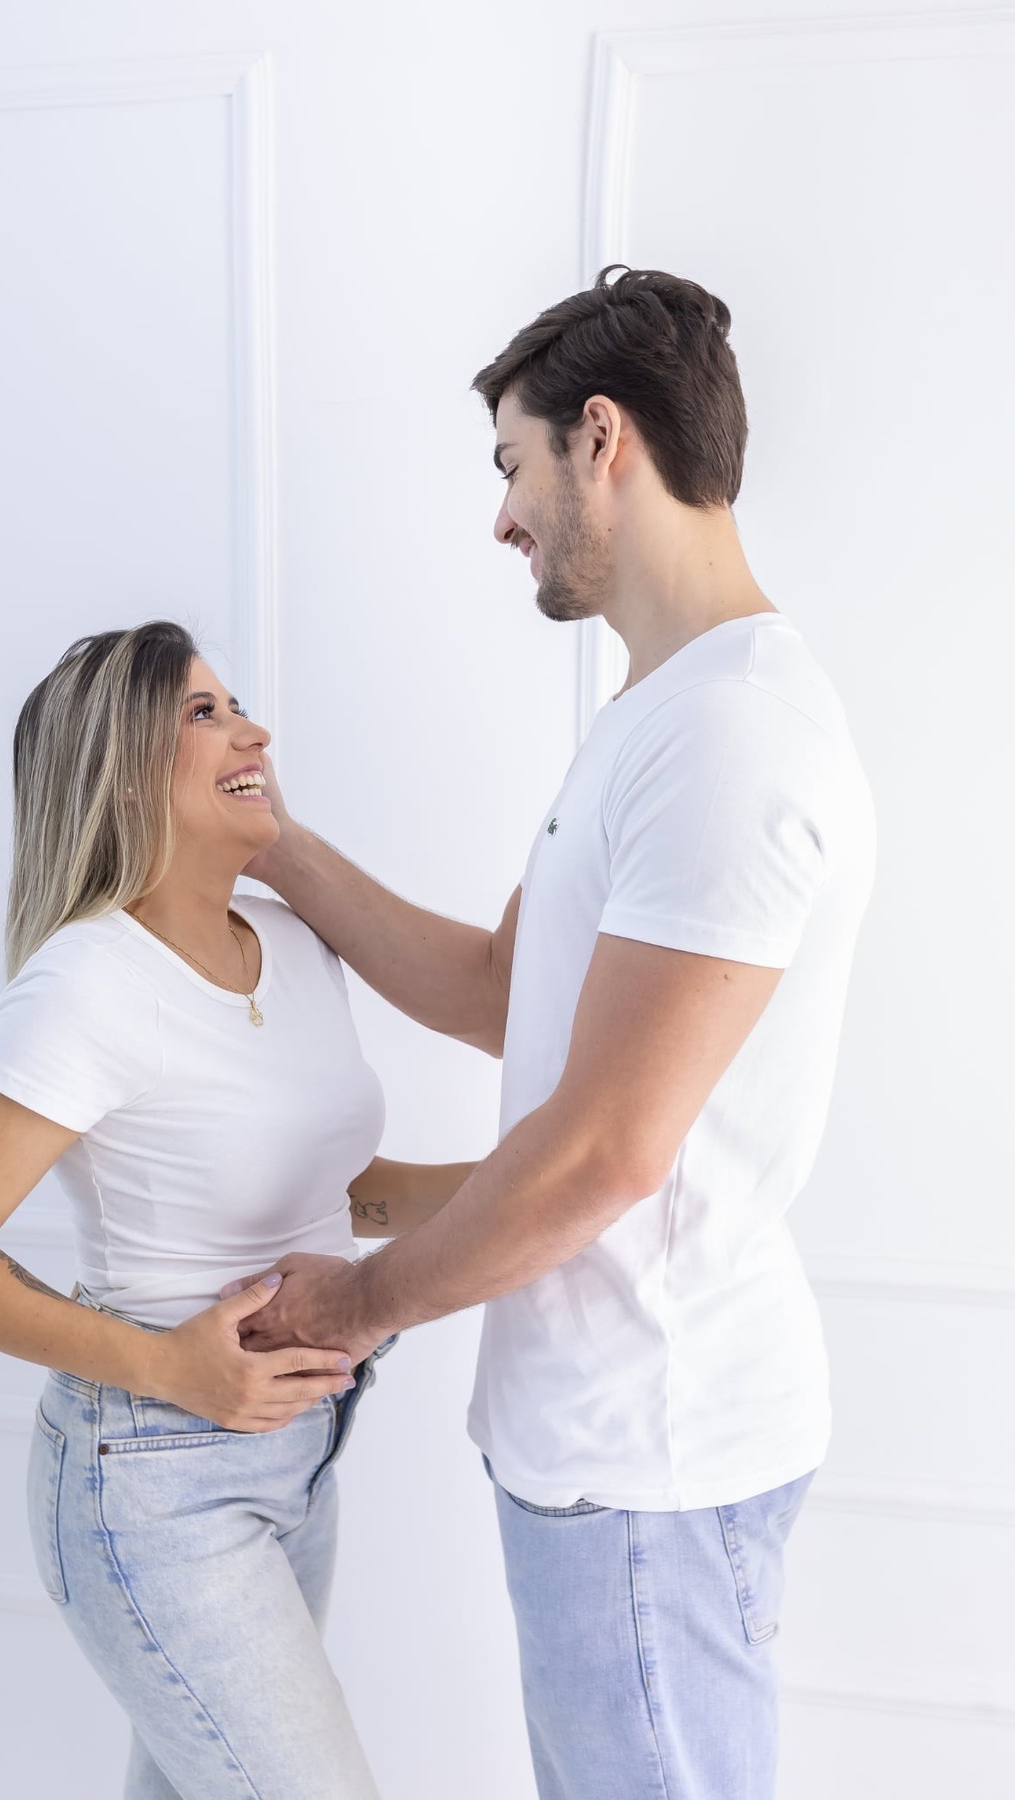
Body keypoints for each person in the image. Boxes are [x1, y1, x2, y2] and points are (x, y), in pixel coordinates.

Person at [228, 267, 877, 1800]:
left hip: (654, 1450)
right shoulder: (662, 710)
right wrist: (280, 851)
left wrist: (358, 1302)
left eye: (511, 466)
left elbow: (602, 1154)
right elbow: (500, 990)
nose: (503, 519)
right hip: (601, 1447)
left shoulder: (733, 735)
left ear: (602, 441)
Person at [0, 620, 476, 1800]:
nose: (250, 729)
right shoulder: (85, 986)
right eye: (202, 713)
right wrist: (167, 1369)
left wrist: (554, 1177)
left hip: (302, 1450)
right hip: (152, 1482)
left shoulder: (298, 947)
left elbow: (330, 1194)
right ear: (115, 764)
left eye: (235, 703)